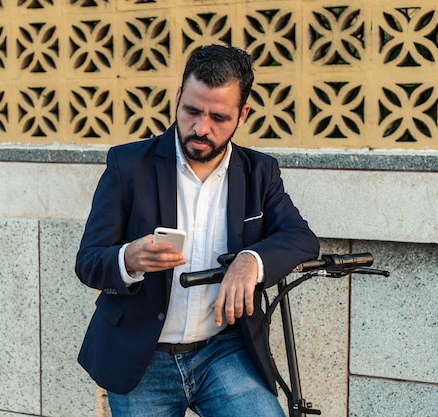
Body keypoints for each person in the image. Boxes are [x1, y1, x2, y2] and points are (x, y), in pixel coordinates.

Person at [75, 44, 319, 417]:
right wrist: (128, 259)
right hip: (140, 359)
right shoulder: (127, 165)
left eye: (219, 117)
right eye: (191, 110)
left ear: (243, 115)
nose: (200, 128)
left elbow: (300, 238)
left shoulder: (260, 172)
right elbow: (89, 261)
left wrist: (251, 261)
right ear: (177, 98)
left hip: (222, 350)